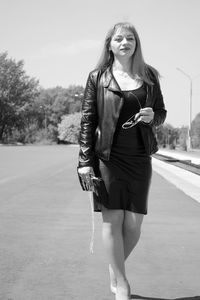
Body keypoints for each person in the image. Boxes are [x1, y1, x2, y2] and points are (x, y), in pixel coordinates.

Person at [77, 22, 167, 300]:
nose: (125, 42)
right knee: (112, 220)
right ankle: (123, 285)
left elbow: (161, 112)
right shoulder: (98, 77)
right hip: (107, 158)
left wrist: (155, 117)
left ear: (136, 44)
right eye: (119, 38)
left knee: (134, 224)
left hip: (140, 158)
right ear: (110, 45)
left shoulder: (149, 76)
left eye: (130, 38)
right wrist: (84, 160)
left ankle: (114, 269)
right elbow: (88, 120)